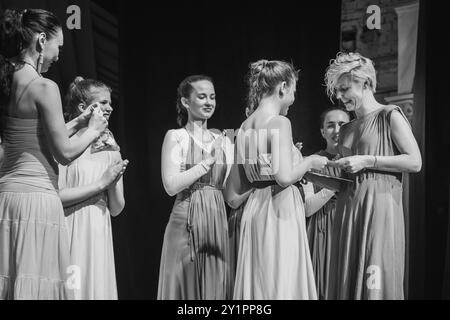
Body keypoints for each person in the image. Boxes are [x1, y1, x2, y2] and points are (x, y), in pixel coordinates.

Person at [0, 9, 107, 299]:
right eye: (57, 46)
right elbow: (64, 153)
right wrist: (94, 130)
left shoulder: (8, 81)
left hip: (8, 200)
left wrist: (78, 122)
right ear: (42, 40)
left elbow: (35, 135)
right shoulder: (44, 86)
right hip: (36, 201)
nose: (58, 55)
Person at [324, 52, 422, 300]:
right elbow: (342, 183)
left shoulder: (389, 115)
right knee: (347, 276)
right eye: (337, 91)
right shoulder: (346, 129)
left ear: (365, 83)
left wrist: (368, 160)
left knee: (374, 280)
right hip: (348, 213)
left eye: (344, 89)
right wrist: (307, 171)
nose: (339, 96)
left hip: (379, 210)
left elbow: (415, 161)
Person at [228, 59, 327, 300]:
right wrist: (310, 162)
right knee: (281, 280)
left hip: (255, 210)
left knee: (261, 284)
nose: (293, 98)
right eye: (293, 90)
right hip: (280, 209)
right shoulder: (279, 122)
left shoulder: (242, 128)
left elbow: (230, 195)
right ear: (283, 86)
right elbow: (284, 178)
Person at [158, 75, 232, 299]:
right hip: (186, 219)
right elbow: (170, 186)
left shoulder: (224, 139)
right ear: (185, 102)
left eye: (212, 97)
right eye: (201, 97)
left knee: (214, 286)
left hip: (217, 219)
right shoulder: (176, 136)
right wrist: (205, 163)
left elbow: (230, 191)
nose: (209, 102)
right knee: (186, 283)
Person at [58, 77, 128, 300]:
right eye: (103, 103)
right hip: (70, 227)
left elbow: (116, 208)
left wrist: (114, 181)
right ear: (84, 108)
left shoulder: (110, 147)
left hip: (99, 229)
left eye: (110, 102)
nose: (110, 107)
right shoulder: (64, 145)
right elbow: (56, 197)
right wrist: (100, 183)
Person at [301, 107, 350, 299]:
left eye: (343, 125)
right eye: (330, 126)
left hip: (350, 223)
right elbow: (307, 208)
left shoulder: (359, 161)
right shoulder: (311, 161)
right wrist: (333, 186)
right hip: (322, 228)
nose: (337, 130)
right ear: (322, 131)